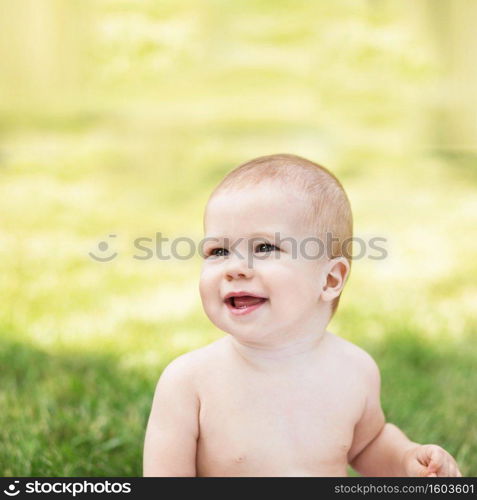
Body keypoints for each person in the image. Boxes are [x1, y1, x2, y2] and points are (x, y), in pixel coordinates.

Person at [143, 153, 461, 477]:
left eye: (264, 248)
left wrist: (406, 460)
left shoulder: (354, 370)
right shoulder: (189, 382)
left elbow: (368, 445)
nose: (234, 268)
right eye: (218, 252)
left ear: (329, 279)